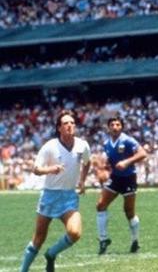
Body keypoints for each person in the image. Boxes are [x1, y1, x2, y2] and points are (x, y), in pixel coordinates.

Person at [19, 110, 91, 272]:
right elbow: (36, 169)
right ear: (59, 128)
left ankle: (51, 254)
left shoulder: (82, 145)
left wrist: (82, 181)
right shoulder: (49, 146)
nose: (69, 126)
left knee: (75, 232)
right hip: (50, 196)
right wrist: (51, 169)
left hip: (69, 197)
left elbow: (87, 162)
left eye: (72, 123)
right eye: (65, 123)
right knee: (38, 239)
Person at [96, 116, 148, 255]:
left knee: (129, 212)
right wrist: (102, 168)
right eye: (112, 124)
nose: (114, 127)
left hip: (129, 178)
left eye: (117, 124)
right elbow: (108, 163)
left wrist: (127, 162)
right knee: (100, 205)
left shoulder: (127, 140)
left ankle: (135, 241)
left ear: (121, 127)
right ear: (108, 127)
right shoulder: (106, 144)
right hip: (115, 178)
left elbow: (143, 153)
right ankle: (103, 239)